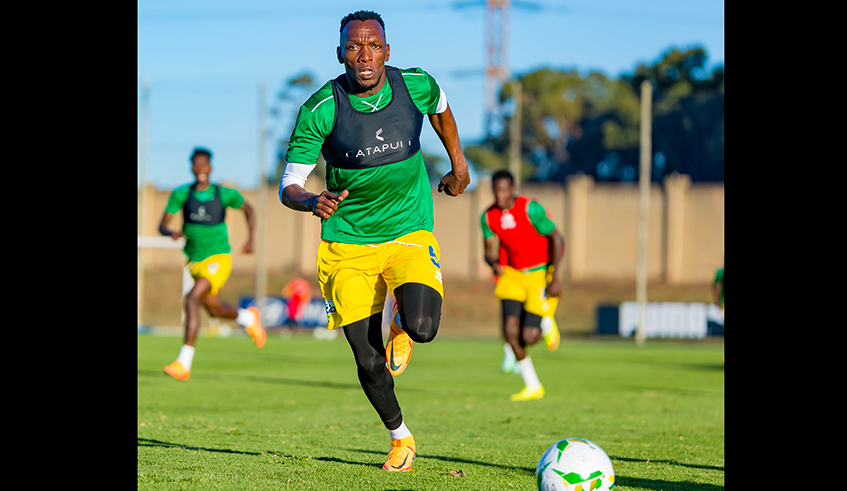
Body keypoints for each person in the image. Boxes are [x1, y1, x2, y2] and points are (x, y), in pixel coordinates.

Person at [278, 10, 470, 472]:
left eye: (373, 46)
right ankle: (400, 438)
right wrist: (310, 202)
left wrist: (459, 165)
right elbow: (289, 183)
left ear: (388, 50)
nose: (364, 56)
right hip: (347, 242)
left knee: (423, 328)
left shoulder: (414, 85)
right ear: (340, 53)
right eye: (354, 47)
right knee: (367, 358)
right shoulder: (322, 108)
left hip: (407, 230)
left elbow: (441, 109)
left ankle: (402, 321)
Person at [158, 147, 267, 381]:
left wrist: (250, 239)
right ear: (191, 167)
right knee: (214, 310)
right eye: (196, 165)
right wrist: (171, 232)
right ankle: (248, 318)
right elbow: (162, 225)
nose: (200, 169)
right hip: (194, 261)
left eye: (204, 165)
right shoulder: (181, 194)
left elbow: (248, 209)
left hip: (218, 258)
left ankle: (183, 363)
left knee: (192, 299)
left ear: (210, 167)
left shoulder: (223, 194)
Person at [481, 169, 564, 401]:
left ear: (513, 189)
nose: (500, 196)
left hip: (537, 273)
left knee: (528, 337)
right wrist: (493, 264)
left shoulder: (530, 209)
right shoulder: (488, 216)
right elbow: (487, 252)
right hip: (511, 275)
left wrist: (554, 276)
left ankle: (546, 321)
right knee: (509, 331)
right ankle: (533, 386)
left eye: (504, 190)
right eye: (496, 191)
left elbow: (557, 239)